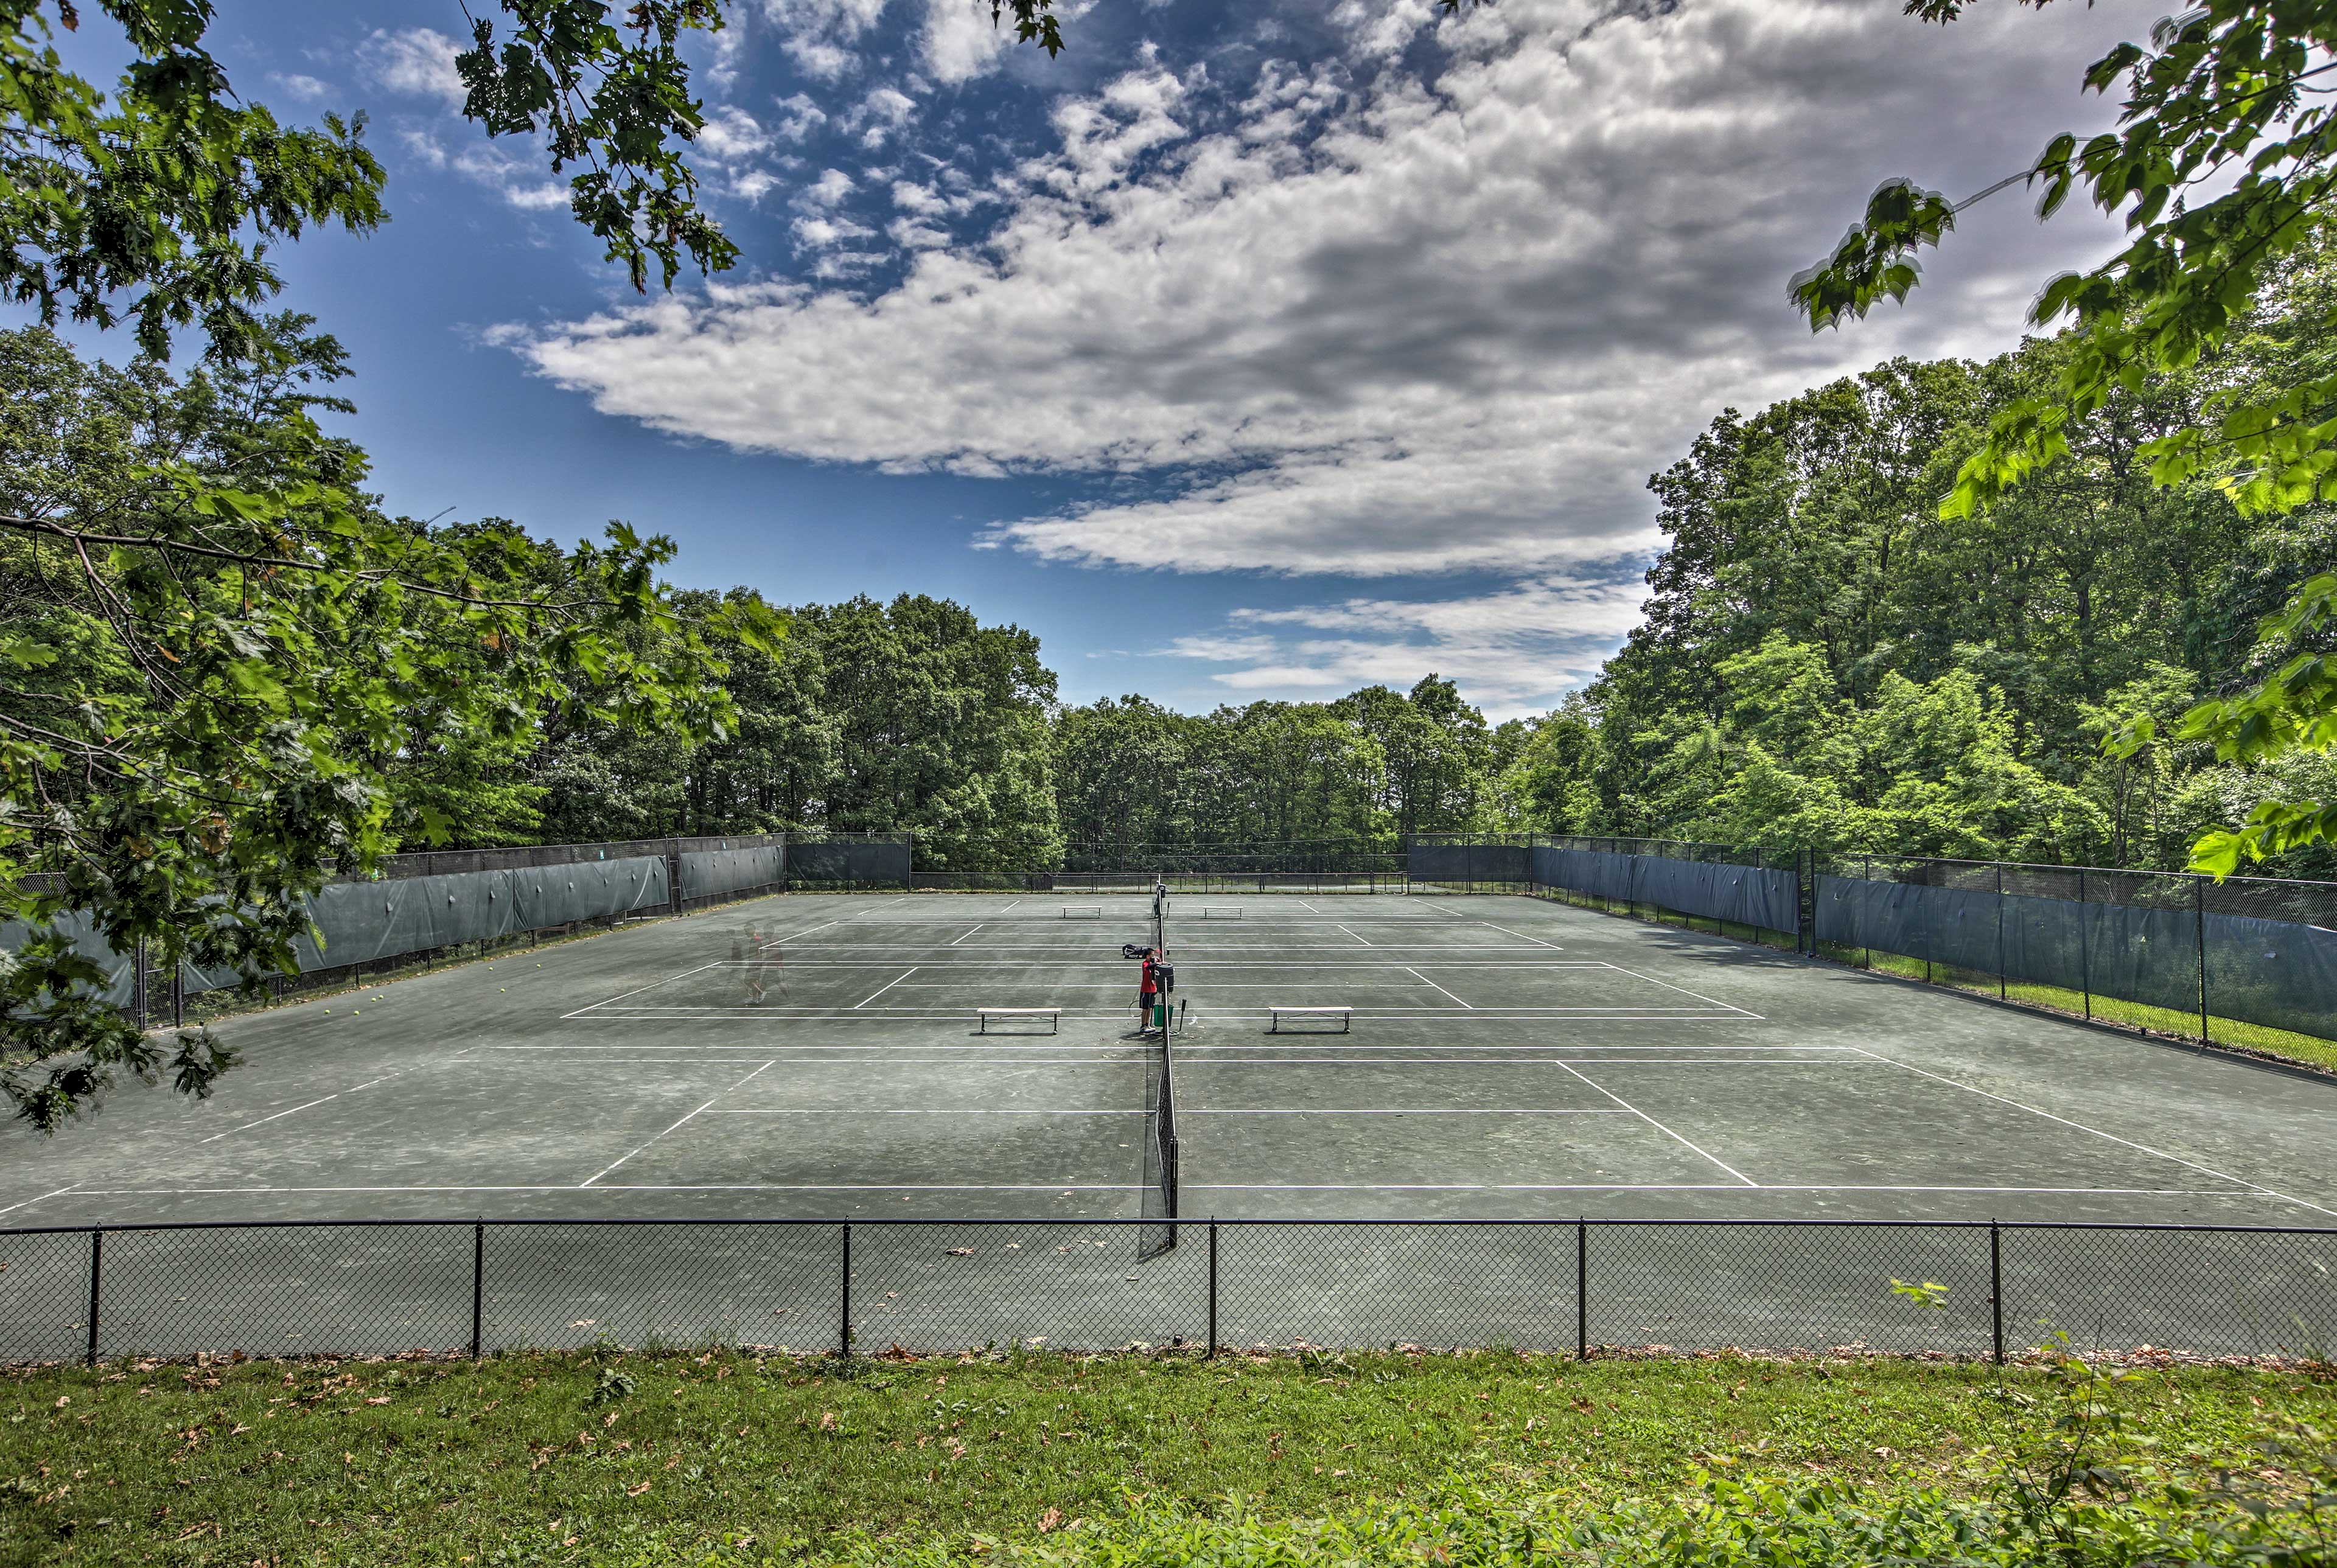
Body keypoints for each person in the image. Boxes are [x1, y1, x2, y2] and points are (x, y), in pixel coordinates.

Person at [1136, 949, 1161, 1034]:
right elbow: (1148, 967)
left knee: (1150, 1008)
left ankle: (1147, 1024)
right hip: (1146, 990)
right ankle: (1143, 1026)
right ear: (1147, 956)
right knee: (1145, 1009)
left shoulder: (1153, 965)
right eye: (1152, 956)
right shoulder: (1145, 964)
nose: (1153, 957)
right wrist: (1156, 963)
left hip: (1152, 989)